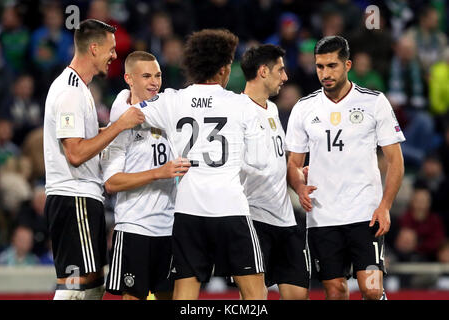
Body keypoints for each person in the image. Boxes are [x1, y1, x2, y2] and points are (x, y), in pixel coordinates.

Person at [110, 29, 268, 300]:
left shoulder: (172, 100)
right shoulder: (242, 105)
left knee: (184, 292)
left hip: (187, 211)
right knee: (254, 293)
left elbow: (128, 113)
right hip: (229, 207)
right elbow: (259, 161)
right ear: (223, 69)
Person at [285, 36, 405, 300]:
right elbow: (294, 164)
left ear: (348, 65)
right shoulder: (304, 108)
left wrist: (385, 205)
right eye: (320, 67)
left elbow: (395, 160)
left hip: (366, 213)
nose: (325, 73)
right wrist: (299, 186)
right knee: (335, 290)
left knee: (372, 289)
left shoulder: (374, 102)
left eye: (332, 66)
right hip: (322, 216)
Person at [43, 19, 145, 300]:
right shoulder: (70, 92)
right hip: (73, 195)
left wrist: (118, 131)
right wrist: (119, 126)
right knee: (76, 285)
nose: (115, 55)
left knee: (92, 285)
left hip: (83, 197)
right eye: (111, 49)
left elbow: (83, 139)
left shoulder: (79, 89)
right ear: (94, 48)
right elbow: (75, 153)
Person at [102, 51, 190, 300]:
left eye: (158, 75)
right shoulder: (120, 123)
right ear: (129, 78)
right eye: (147, 76)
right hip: (135, 227)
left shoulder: (169, 112)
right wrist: (158, 173)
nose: (154, 82)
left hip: (169, 227)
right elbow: (111, 182)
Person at [239, 44, 309, 299]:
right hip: (253, 220)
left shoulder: (273, 109)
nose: (285, 77)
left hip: (285, 219)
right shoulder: (237, 109)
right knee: (255, 300)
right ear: (263, 71)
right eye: (281, 70)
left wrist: (298, 180)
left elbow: (280, 160)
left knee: (299, 296)